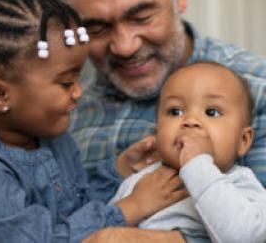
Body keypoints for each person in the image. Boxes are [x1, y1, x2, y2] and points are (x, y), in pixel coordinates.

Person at [0, 0, 189, 242]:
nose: (79, 91)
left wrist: (118, 170)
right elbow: (42, 238)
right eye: (65, 83)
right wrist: (131, 207)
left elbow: (75, 204)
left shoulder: (51, 136)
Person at [56, 0, 266, 186]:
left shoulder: (258, 88)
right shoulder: (59, 111)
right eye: (97, 29)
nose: (125, 47)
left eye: (141, 18)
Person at [111, 62, 266, 243]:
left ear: (243, 141)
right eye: (175, 111)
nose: (191, 121)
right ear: (157, 131)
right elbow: (105, 233)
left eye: (211, 112)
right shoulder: (139, 182)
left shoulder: (241, 184)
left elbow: (244, 237)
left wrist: (198, 165)